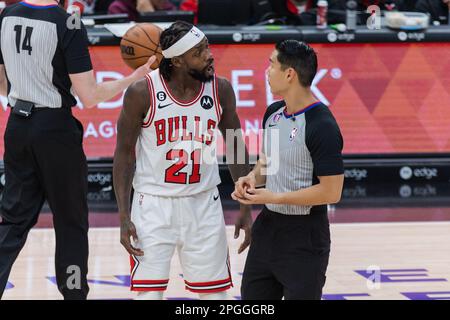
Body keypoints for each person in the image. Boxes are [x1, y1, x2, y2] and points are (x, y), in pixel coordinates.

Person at [0, 0, 154, 300]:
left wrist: (24, 92)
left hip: (17, 125)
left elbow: (1, 80)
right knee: (71, 221)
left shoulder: (7, 15)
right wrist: (133, 78)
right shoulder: (68, 23)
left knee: (13, 221)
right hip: (55, 130)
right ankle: (73, 295)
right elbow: (90, 96)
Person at [113, 21, 252, 300]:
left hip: (203, 204)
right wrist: (124, 215)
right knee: (149, 295)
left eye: (208, 47)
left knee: (216, 296)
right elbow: (124, 154)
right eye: (199, 51)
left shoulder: (221, 89)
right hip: (152, 205)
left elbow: (236, 147)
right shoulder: (141, 93)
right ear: (176, 60)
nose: (209, 55)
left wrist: (246, 206)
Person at [232, 40, 344, 300]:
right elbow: (266, 163)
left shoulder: (322, 124)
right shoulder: (273, 113)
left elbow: (332, 191)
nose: (267, 71)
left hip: (305, 236)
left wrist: (274, 196)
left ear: (289, 74)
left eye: (271, 64)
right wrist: (250, 178)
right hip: (268, 228)